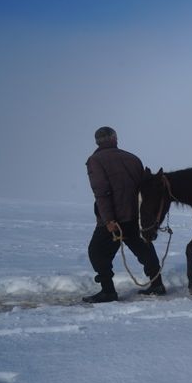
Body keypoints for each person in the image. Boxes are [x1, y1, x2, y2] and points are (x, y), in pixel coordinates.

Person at [83, 126, 165, 303]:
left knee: (96, 252)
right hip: (135, 216)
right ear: (115, 138)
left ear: (97, 141)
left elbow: (102, 192)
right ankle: (157, 284)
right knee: (144, 249)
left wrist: (109, 220)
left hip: (114, 220)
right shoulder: (133, 158)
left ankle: (108, 292)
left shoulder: (95, 161)